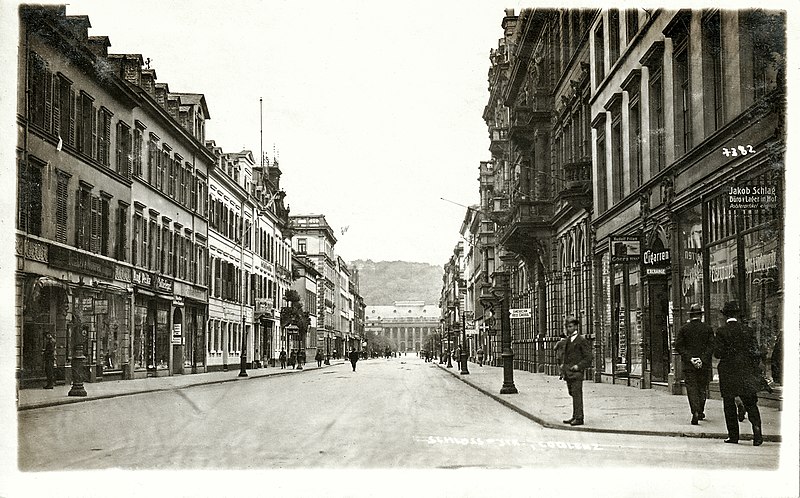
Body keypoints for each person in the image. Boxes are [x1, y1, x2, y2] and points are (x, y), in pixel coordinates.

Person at [715, 301, 763, 446]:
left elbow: (718, 353)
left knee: (729, 404)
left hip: (728, 372)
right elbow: (755, 352)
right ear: (737, 314)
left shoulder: (721, 332)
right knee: (751, 403)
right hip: (746, 371)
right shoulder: (747, 330)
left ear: (725, 316)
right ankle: (757, 432)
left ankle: (733, 436)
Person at [675, 304, 715, 425]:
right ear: (701, 316)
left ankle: (695, 412)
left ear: (691, 315)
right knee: (702, 388)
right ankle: (701, 410)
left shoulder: (684, 329)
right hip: (704, 365)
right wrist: (702, 359)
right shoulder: (707, 329)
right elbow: (711, 346)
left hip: (689, 365)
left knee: (691, 388)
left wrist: (691, 358)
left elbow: (678, 346)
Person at [560, 317, 592, 426]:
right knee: (572, 393)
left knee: (577, 395)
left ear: (575, 327)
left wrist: (578, 366)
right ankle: (575, 415)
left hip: (577, 373)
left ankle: (579, 418)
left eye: (570, 326)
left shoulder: (581, 340)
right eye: (567, 327)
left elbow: (588, 357)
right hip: (568, 373)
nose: (568, 329)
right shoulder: (568, 340)